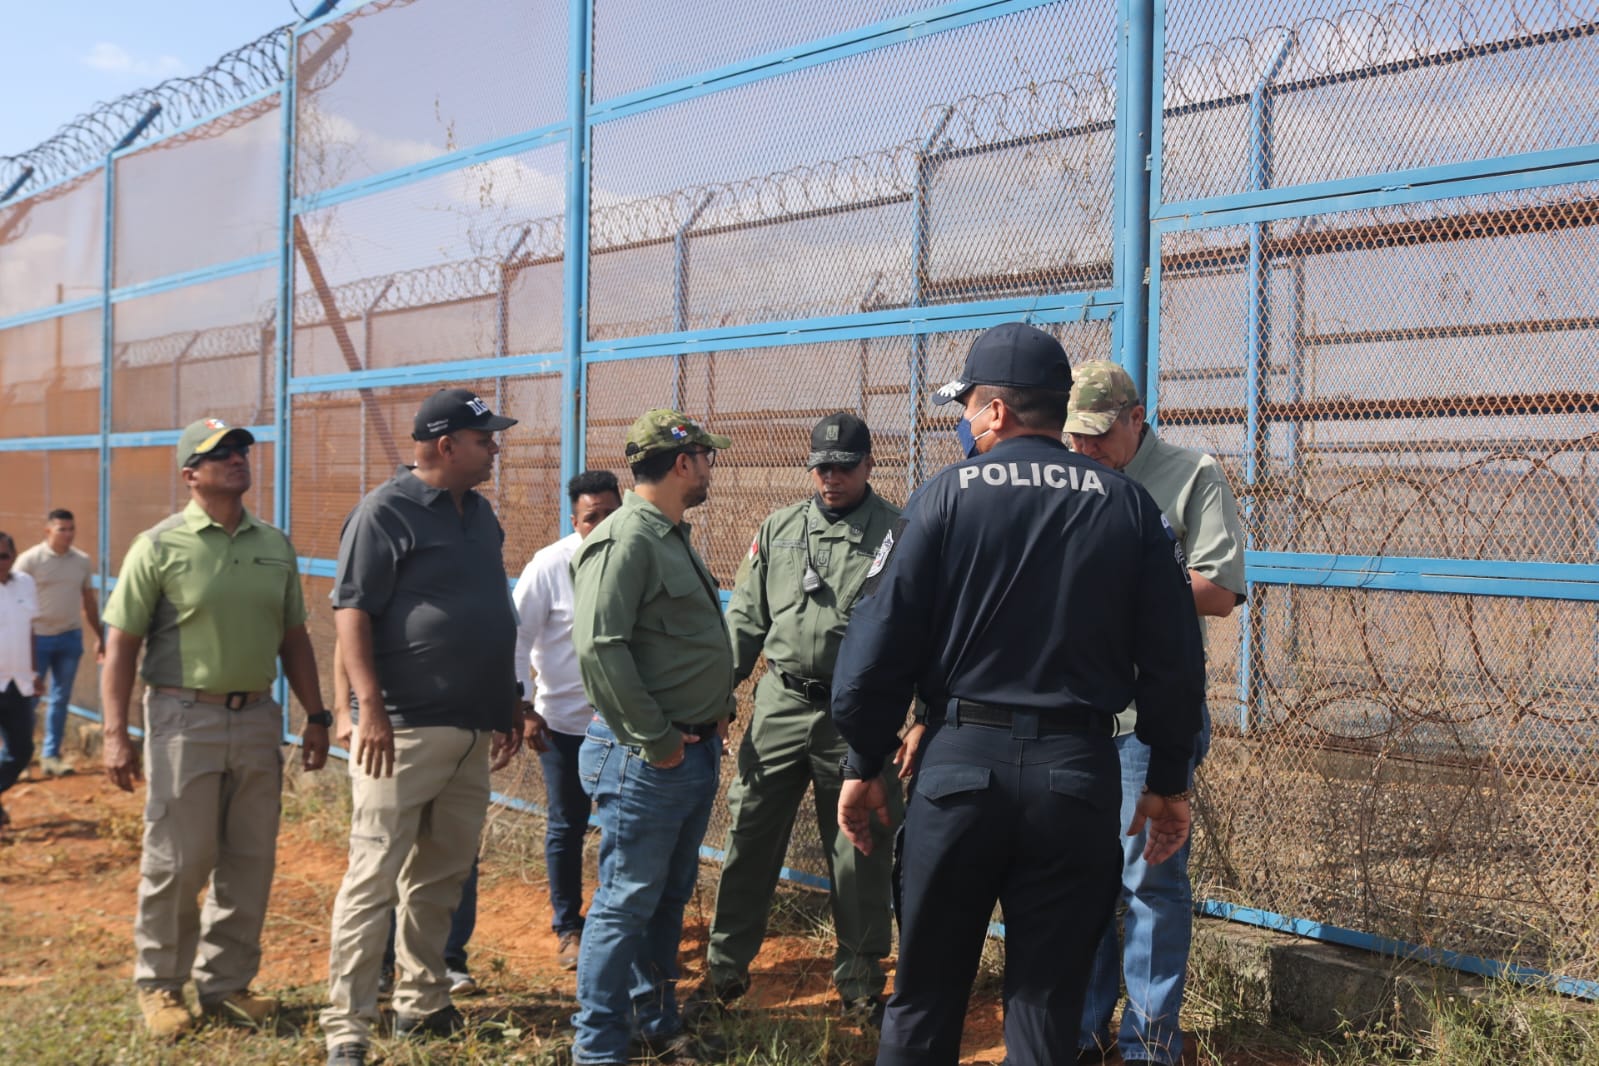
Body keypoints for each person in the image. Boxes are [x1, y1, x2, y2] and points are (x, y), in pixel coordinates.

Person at [830, 322, 1207, 1066]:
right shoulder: (1127, 507)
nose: (965, 421)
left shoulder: (943, 498)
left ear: (997, 411)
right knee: (1044, 1006)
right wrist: (1166, 782)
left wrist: (864, 759)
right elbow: (1173, 662)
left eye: (968, 406)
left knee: (925, 997)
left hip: (959, 769)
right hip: (1076, 774)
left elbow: (873, 649)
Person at [322, 388, 542, 1066]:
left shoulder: (479, 515)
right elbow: (352, 615)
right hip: (403, 729)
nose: (495, 449)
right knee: (373, 876)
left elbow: (483, 612)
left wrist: (506, 698)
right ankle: (347, 1027)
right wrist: (369, 710)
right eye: (485, 439)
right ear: (446, 445)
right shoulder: (382, 512)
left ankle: (421, 1002)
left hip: (472, 726)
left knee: (441, 875)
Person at [99, 418, 332, 1040]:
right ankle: (160, 985)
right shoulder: (159, 546)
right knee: (178, 859)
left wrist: (316, 715)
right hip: (182, 718)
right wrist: (116, 733)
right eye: (220, 454)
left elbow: (294, 638)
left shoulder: (273, 544)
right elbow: (121, 646)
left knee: (249, 858)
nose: (237, 460)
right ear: (190, 475)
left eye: (241, 451)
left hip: (257, 718)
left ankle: (227, 986)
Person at [1066, 360, 1247, 1066]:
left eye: (1098, 434)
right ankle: (1079, 1034)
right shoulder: (1073, 474)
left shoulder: (1189, 474)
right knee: (1081, 876)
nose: (1084, 448)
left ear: (1135, 418)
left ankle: (1147, 1044)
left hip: (1149, 716)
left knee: (1148, 878)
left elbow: (1220, 587)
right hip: (1079, 713)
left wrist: (1129, 587)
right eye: (1073, 435)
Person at [701, 412, 908, 1025]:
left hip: (858, 718)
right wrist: (718, 695)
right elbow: (745, 621)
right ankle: (724, 973)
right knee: (750, 838)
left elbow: (919, 633)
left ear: (870, 465)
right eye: (821, 468)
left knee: (860, 848)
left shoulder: (898, 534)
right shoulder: (780, 529)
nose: (830, 479)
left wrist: (920, 715)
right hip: (780, 706)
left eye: (843, 467)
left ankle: (861, 983)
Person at [569, 409, 735, 1066]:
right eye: (706, 458)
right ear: (683, 462)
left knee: (666, 896)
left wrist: (711, 709)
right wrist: (656, 739)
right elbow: (598, 648)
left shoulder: (667, 534)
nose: (710, 469)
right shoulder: (627, 539)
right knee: (624, 901)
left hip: (686, 751)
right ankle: (598, 1048)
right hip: (648, 758)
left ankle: (654, 1021)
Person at [511, 469, 623, 971]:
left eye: (610, 515)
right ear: (574, 521)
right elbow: (516, 639)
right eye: (590, 518)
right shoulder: (549, 566)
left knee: (624, 827)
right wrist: (525, 708)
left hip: (625, 726)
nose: (601, 526)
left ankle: (610, 922)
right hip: (563, 725)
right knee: (566, 825)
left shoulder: (634, 556)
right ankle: (568, 927)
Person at [331, 639, 481, 1000]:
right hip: (394, 733)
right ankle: (365, 987)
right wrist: (343, 710)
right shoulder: (380, 580)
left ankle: (439, 971)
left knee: (446, 866)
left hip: (465, 735)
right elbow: (347, 632)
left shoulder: (483, 580)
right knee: (379, 867)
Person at [15, 508, 103, 776]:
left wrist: (101, 635)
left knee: (60, 699)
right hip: (36, 640)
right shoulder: (29, 561)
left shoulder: (81, 561)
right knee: (26, 701)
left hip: (69, 638)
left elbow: (88, 599)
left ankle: (50, 757)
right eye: (61, 529)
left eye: (71, 529)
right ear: (48, 531)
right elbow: (12, 598)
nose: (68, 534)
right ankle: (19, 758)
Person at [0, 532, 42, 830]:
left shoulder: (25, 583)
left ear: (13, 556)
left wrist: (34, 671)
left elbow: (29, 630)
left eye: (3, 555)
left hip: (18, 682)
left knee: (22, 750)